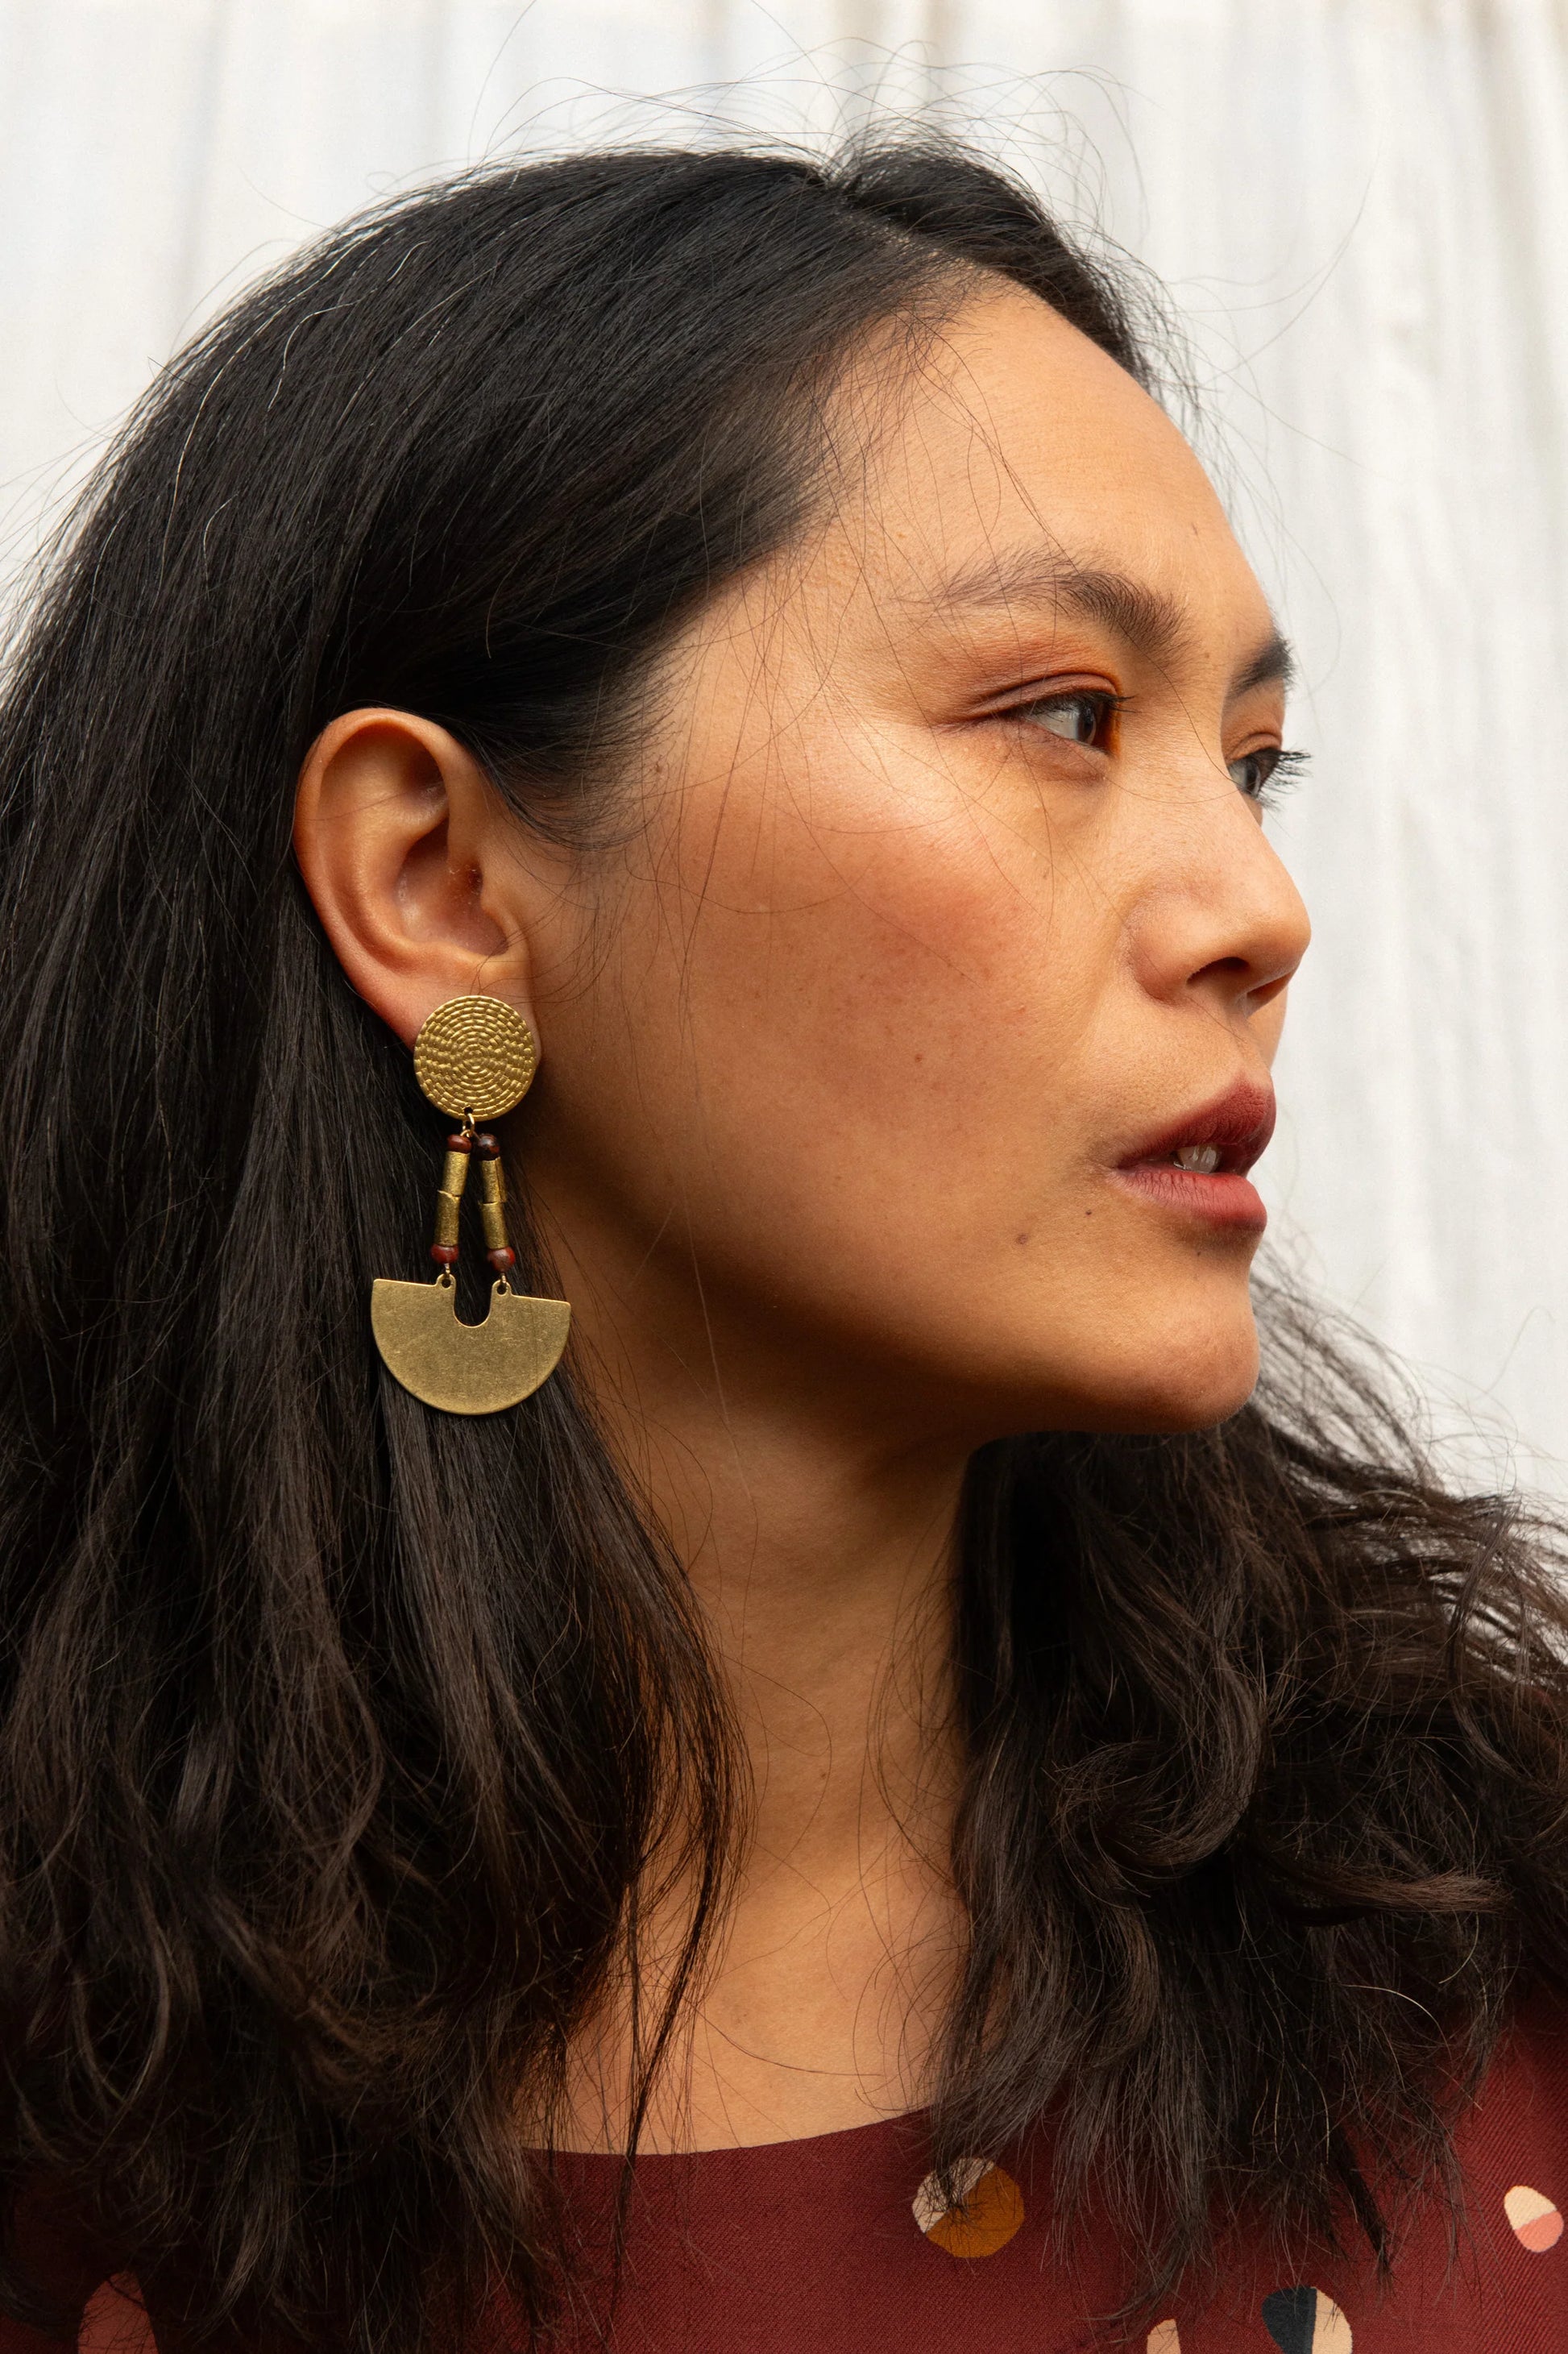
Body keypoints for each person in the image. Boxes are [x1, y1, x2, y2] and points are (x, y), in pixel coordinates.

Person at [0, 138, 1564, 2354]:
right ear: (439, 882)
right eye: (1063, 718)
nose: (1257, 911)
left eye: (1252, 765)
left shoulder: (1497, 2003)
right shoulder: (65, 2087)